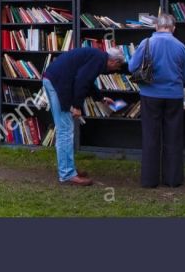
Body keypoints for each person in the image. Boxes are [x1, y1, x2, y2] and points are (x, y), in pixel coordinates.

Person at [42, 47, 126, 186]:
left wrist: (101, 98)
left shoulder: (98, 57)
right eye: (118, 66)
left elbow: (87, 81)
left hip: (54, 80)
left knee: (65, 128)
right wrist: (77, 106)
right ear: (113, 61)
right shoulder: (99, 60)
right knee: (65, 130)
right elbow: (81, 81)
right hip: (58, 84)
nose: (116, 69)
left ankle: (69, 169)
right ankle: (67, 174)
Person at [128, 13, 185, 188]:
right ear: (173, 28)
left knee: (150, 137)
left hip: (150, 95)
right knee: (174, 137)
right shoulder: (181, 46)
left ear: (156, 26)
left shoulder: (146, 43)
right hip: (174, 96)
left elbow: (132, 67)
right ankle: (173, 179)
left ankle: (149, 180)